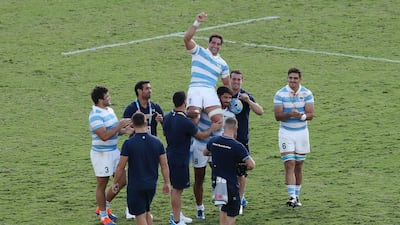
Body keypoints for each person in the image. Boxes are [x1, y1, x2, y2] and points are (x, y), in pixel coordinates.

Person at [163, 91, 222, 225]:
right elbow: (201, 136)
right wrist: (212, 128)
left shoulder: (168, 117)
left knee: (176, 188)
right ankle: (177, 220)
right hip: (180, 158)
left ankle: (178, 214)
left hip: (170, 154)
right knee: (177, 189)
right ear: (185, 102)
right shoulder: (185, 122)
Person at [112, 112, 171, 225]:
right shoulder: (157, 142)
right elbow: (164, 165)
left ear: (132, 125)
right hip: (151, 185)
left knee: (140, 216)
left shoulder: (128, 144)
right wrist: (167, 182)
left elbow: (121, 166)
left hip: (136, 186)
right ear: (146, 122)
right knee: (146, 212)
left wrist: (115, 183)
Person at [89, 86, 134, 225]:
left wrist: (124, 130)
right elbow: (104, 136)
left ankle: (104, 206)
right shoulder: (94, 115)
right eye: (107, 96)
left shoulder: (109, 110)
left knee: (122, 181)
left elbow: (114, 131)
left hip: (114, 151)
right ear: (100, 100)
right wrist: (119, 126)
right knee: (102, 184)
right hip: (101, 154)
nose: (110, 98)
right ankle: (103, 216)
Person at [191, 86, 235, 220]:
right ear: (218, 97)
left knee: (221, 178)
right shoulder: (206, 111)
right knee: (199, 177)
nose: (227, 100)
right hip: (200, 146)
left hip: (217, 149)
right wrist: (212, 128)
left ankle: (222, 206)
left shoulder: (230, 115)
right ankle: (200, 208)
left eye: (229, 98)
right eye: (225, 97)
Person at [273, 67, 314, 207]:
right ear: (287, 78)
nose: (292, 81)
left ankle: (297, 196)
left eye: (295, 78)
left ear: (300, 79)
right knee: (289, 163)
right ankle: (291, 197)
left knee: (299, 165)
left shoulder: (307, 93)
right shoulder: (280, 94)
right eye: (290, 78)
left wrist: (300, 116)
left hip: (302, 133)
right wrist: (290, 114)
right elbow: (277, 116)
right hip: (286, 133)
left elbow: (310, 115)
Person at [123, 80, 164, 219]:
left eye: (150, 88)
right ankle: (131, 207)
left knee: (149, 175)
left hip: (151, 147)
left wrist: (161, 120)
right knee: (134, 174)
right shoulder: (131, 108)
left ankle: (144, 208)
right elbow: (123, 126)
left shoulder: (155, 106)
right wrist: (128, 129)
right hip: (136, 146)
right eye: (147, 88)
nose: (150, 91)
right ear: (139, 91)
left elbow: (165, 126)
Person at [204, 117, 255, 225]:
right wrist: (240, 167)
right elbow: (251, 165)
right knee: (233, 210)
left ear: (224, 127)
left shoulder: (214, 141)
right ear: (236, 128)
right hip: (230, 183)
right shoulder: (237, 146)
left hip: (217, 181)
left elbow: (205, 152)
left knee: (223, 207)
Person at [183, 12, 230, 125]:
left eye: (218, 44)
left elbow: (226, 85)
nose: (215, 45)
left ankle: (211, 141)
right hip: (196, 89)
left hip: (210, 91)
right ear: (209, 43)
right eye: (213, 43)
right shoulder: (199, 52)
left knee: (219, 121)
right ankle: (188, 142)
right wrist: (197, 22)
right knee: (194, 118)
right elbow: (187, 39)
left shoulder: (223, 64)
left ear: (221, 46)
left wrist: (231, 99)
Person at [230, 70, 264, 212]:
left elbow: (260, 111)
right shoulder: (223, 93)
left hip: (241, 140)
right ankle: (227, 198)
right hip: (225, 139)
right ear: (229, 79)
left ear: (242, 81)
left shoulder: (245, 95)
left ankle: (239, 200)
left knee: (242, 170)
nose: (236, 82)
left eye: (239, 80)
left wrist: (248, 101)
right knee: (224, 171)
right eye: (234, 79)